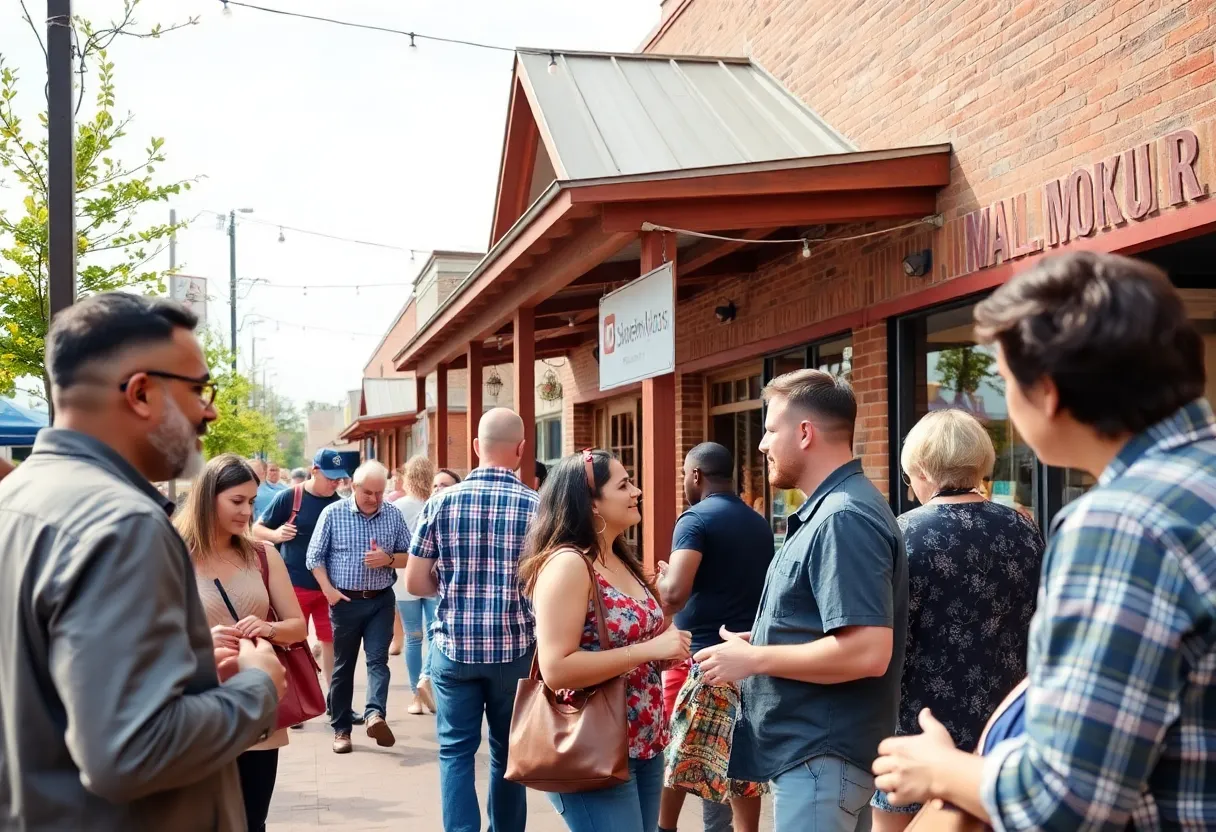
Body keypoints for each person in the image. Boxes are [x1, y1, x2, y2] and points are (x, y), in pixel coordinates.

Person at [872, 252, 1216, 829]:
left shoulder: (1121, 523)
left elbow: (1065, 799)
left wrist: (940, 770)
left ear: (1049, 393)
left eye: (1005, 382)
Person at [0, 292, 285, 830]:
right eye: (198, 389)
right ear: (140, 393)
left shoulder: (18, 499)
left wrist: (190, 674)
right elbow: (132, 751)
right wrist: (258, 688)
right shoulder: (122, 524)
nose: (209, 411)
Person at [694, 368, 908, 832]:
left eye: (771, 430)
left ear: (805, 433)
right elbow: (829, 625)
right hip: (820, 758)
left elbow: (867, 651)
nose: (762, 445)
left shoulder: (843, 516)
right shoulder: (835, 509)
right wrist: (766, 639)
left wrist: (755, 659)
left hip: (821, 757)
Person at [869, 410, 1043, 832]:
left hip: (919, 728)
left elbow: (883, 635)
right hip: (1003, 728)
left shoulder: (902, 533)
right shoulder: (1023, 528)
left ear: (922, 469)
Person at [519, 449, 692, 832]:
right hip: (591, 744)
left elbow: (628, 644)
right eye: (624, 485)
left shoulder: (618, 558)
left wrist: (665, 633)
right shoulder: (568, 564)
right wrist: (648, 649)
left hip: (644, 741)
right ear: (591, 503)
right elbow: (557, 668)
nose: (637, 491)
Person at [405, 408, 538, 832]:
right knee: (508, 754)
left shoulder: (440, 502)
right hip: (515, 651)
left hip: (454, 648)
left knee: (455, 753)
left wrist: (451, 587)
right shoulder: (538, 508)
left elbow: (415, 582)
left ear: (477, 447)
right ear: (521, 449)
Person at [176, 453, 308, 832]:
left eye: (251, 501)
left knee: (252, 821)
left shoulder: (263, 555)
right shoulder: (171, 556)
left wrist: (267, 629)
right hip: (195, 709)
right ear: (207, 498)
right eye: (237, 501)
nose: (247, 512)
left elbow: (297, 627)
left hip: (257, 710)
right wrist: (201, 642)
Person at [656, 442, 774, 832]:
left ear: (696, 475)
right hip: (747, 661)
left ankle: (665, 828)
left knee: (677, 752)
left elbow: (674, 594)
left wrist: (663, 581)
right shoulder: (758, 522)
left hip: (700, 659)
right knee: (740, 761)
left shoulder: (694, 520)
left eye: (683, 475)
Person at [308, 459, 413, 754]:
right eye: (368, 492)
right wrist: (328, 591)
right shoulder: (333, 514)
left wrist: (388, 559)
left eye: (379, 493)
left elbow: (410, 555)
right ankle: (341, 729)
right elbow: (314, 557)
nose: (374, 499)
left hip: (380, 600)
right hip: (345, 602)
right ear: (353, 487)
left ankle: (374, 715)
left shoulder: (392, 514)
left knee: (378, 660)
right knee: (344, 666)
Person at [253, 449, 346, 721]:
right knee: (292, 645)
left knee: (331, 644)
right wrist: (276, 534)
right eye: (330, 478)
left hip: (328, 587)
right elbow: (257, 529)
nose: (335, 483)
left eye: (339, 479)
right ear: (314, 471)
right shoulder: (290, 497)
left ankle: (335, 702)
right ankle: (294, 703)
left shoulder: (339, 504)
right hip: (293, 586)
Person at [392, 454, 440, 715]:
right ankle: (427, 680)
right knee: (435, 634)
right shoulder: (437, 502)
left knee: (413, 636)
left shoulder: (398, 506)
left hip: (404, 577)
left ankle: (415, 695)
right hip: (433, 575)